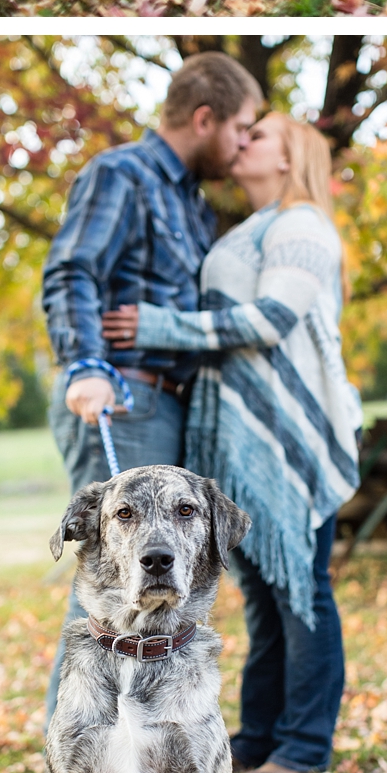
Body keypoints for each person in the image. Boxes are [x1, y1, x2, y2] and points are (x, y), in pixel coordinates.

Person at [102, 113, 360, 773]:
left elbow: (273, 320)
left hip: (287, 437)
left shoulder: (302, 225)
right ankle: (261, 735)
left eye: (261, 136)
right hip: (243, 439)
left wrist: (163, 326)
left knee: (304, 591)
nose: (243, 142)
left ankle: (303, 748)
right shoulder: (251, 227)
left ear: (290, 156)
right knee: (265, 598)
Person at [39, 50, 264, 718]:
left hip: (166, 408)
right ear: (205, 117)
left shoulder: (190, 205)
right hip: (121, 398)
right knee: (112, 594)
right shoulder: (122, 174)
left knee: (147, 606)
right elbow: (72, 271)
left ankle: (141, 751)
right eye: (241, 128)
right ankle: (80, 756)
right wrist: (84, 366)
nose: (244, 143)